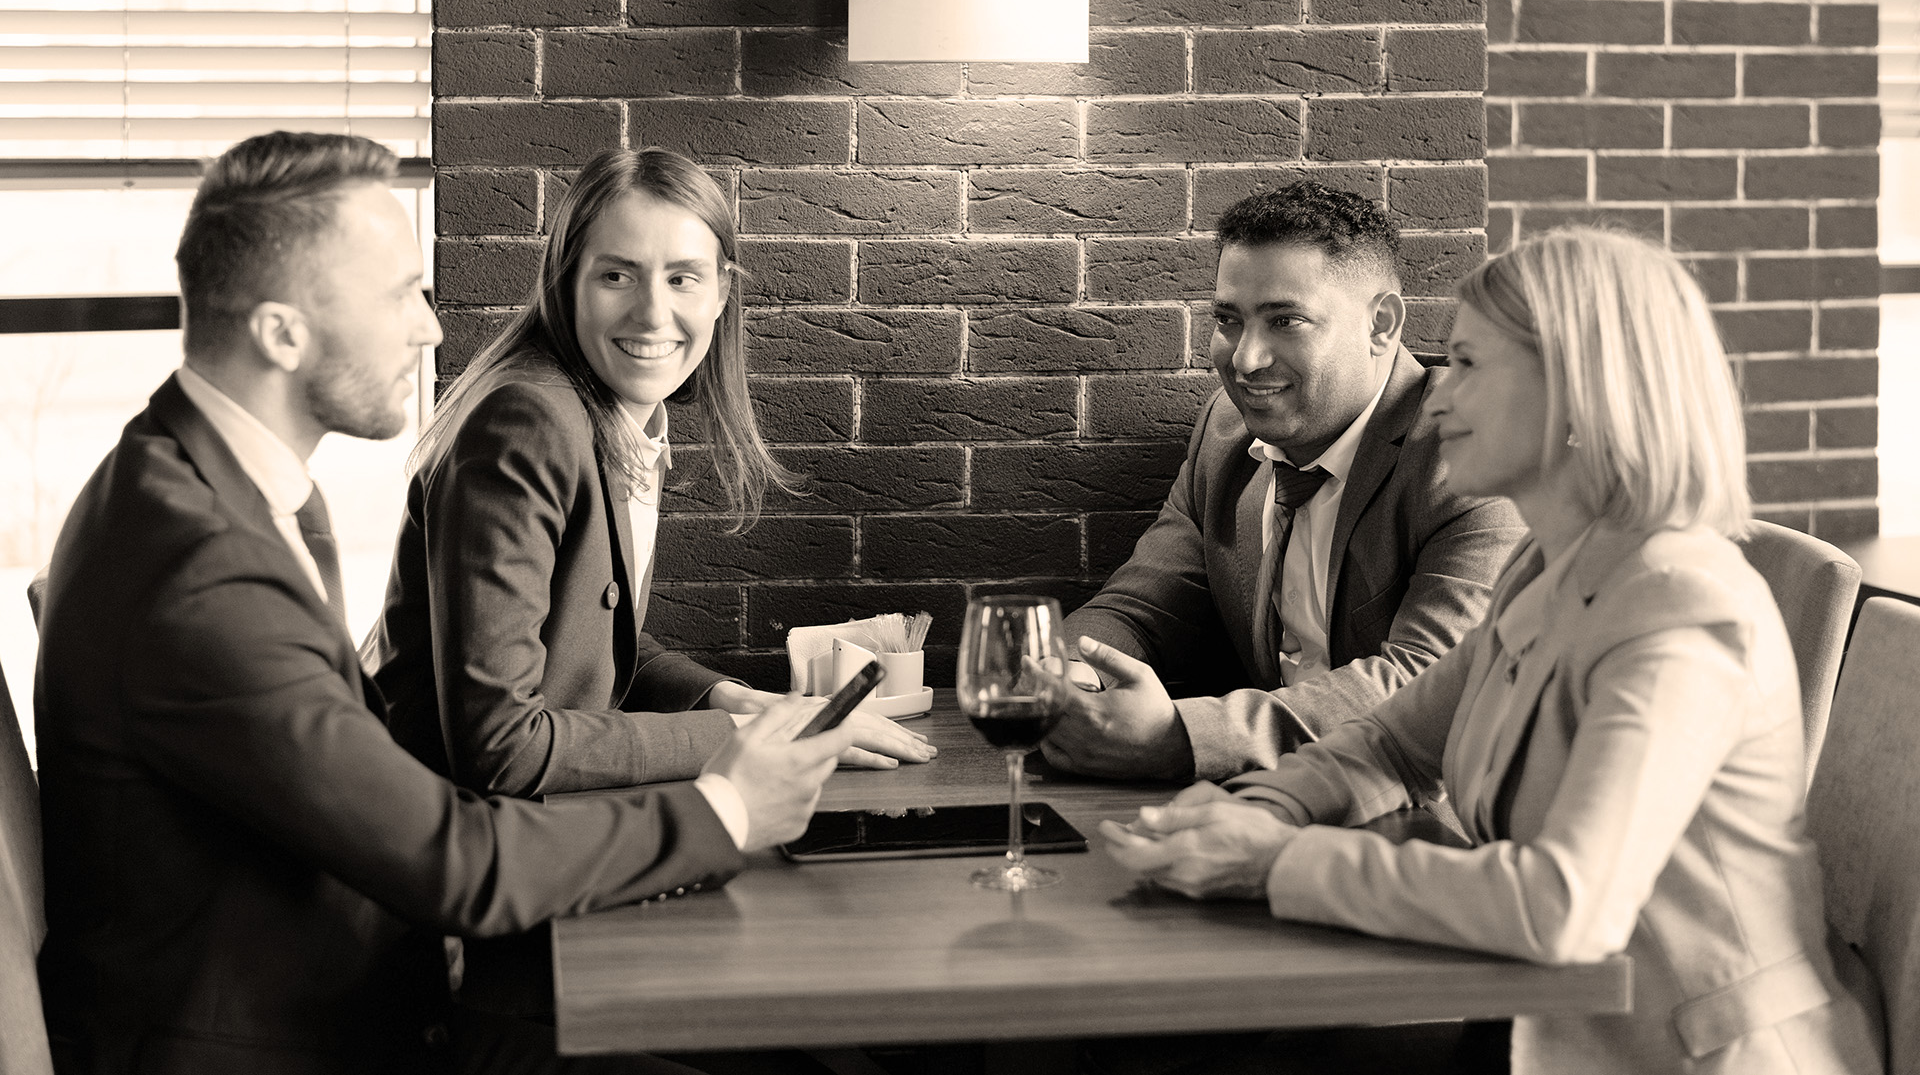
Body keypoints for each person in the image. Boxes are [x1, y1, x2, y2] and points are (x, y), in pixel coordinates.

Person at [33, 131, 856, 1075]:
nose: (429, 328)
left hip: (357, 980)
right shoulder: (201, 567)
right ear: (281, 332)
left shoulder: (188, 483)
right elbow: (455, 861)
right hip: (309, 1037)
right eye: (397, 295)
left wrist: (726, 720)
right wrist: (727, 808)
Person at [1103, 228, 1885, 1075]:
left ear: (1582, 391)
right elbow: (1394, 740)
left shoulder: (1681, 612)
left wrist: (1276, 862)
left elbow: (1564, 908)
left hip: (1686, 1055)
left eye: (1470, 366)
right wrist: (1265, 808)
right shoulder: (1546, 565)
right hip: (1544, 1020)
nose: (1436, 403)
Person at [364, 145, 931, 1023]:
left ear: (722, 290)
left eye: (682, 277)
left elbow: (599, 638)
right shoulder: (531, 421)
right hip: (461, 925)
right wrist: (737, 741)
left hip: (537, 858)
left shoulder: (616, 411)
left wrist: (730, 695)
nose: (652, 311)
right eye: (617, 275)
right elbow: (502, 746)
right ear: (565, 280)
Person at [1045, 183, 1525, 783]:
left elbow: (1427, 684)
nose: (1244, 360)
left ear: (1381, 325)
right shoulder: (1224, 435)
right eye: (1228, 320)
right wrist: (1069, 676)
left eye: (1285, 321)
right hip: (1266, 806)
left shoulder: (1471, 454)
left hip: (1424, 821)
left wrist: (1182, 739)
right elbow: (1143, 605)